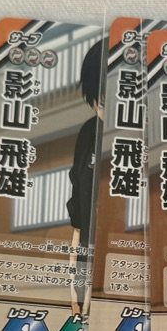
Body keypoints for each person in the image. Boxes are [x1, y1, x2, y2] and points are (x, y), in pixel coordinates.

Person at [68, 38, 105, 316]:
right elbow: (78, 226)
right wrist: (74, 293)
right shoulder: (88, 133)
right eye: (102, 103)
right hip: (87, 259)